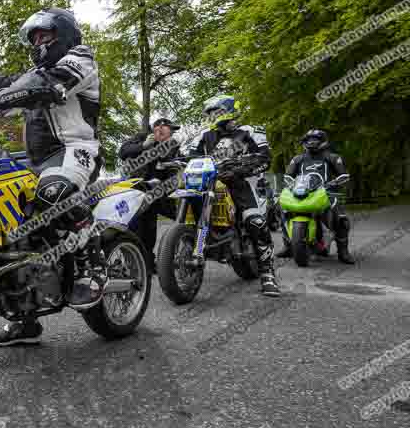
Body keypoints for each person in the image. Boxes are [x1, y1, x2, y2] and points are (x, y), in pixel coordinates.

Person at [0, 7, 103, 346]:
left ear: (65, 33)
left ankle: (93, 264)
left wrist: (2, 89)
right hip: (35, 159)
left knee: (52, 191)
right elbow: (10, 86)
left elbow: (46, 85)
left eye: (44, 35)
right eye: (34, 38)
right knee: (5, 227)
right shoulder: (34, 72)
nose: (38, 42)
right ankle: (24, 320)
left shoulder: (80, 59)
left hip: (75, 151)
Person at [190, 95, 280, 297]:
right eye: (210, 113)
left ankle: (268, 274)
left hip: (242, 181)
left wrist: (242, 168)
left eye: (215, 112)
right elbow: (188, 154)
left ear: (227, 110)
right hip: (210, 182)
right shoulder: (204, 135)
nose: (212, 116)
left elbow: (266, 158)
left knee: (255, 221)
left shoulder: (250, 131)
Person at [275, 129, 353, 263]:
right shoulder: (298, 158)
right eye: (309, 139)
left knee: (341, 219)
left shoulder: (332, 157)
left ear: (323, 141)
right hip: (302, 192)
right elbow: (288, 176)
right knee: (281, 209)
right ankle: (288, 245)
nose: (311, 142)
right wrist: (292, 184)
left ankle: (343, 252)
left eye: (315, 139)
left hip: (325, 192)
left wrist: (333, 183)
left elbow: (344, 175)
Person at [118, 118, 182, 258]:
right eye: (169, 128)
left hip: (160, 192)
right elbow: (123, 152)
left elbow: (178, 163)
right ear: (158, 128)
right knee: (140, 227)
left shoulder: (171, 146)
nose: (171, 132)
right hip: (139, 190)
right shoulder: (142, 137)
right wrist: (144, 145)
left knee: (178, 216)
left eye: (172, 131)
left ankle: (173, 254)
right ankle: (138, 261)